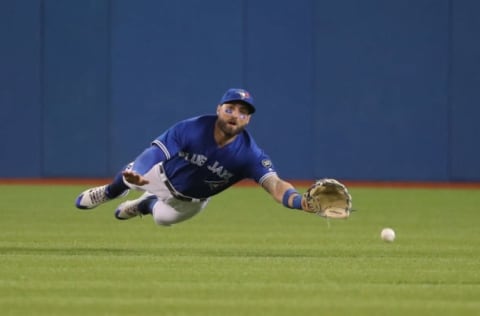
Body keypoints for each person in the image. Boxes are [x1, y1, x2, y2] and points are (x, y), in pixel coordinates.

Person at [75, 88, 313, 226]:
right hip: (160, 175)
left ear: (248, 120)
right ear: (218, 109)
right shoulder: (191, 128)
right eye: (230, 108)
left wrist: (300, 202)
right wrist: (138, 171)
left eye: (243, 112)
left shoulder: (249, 154)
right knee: (128, 177)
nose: (235, 115)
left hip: (190, 203)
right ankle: (110, 192)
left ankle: (146, 204)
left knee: (162, 220)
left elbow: (276, 185)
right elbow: (155, 152)